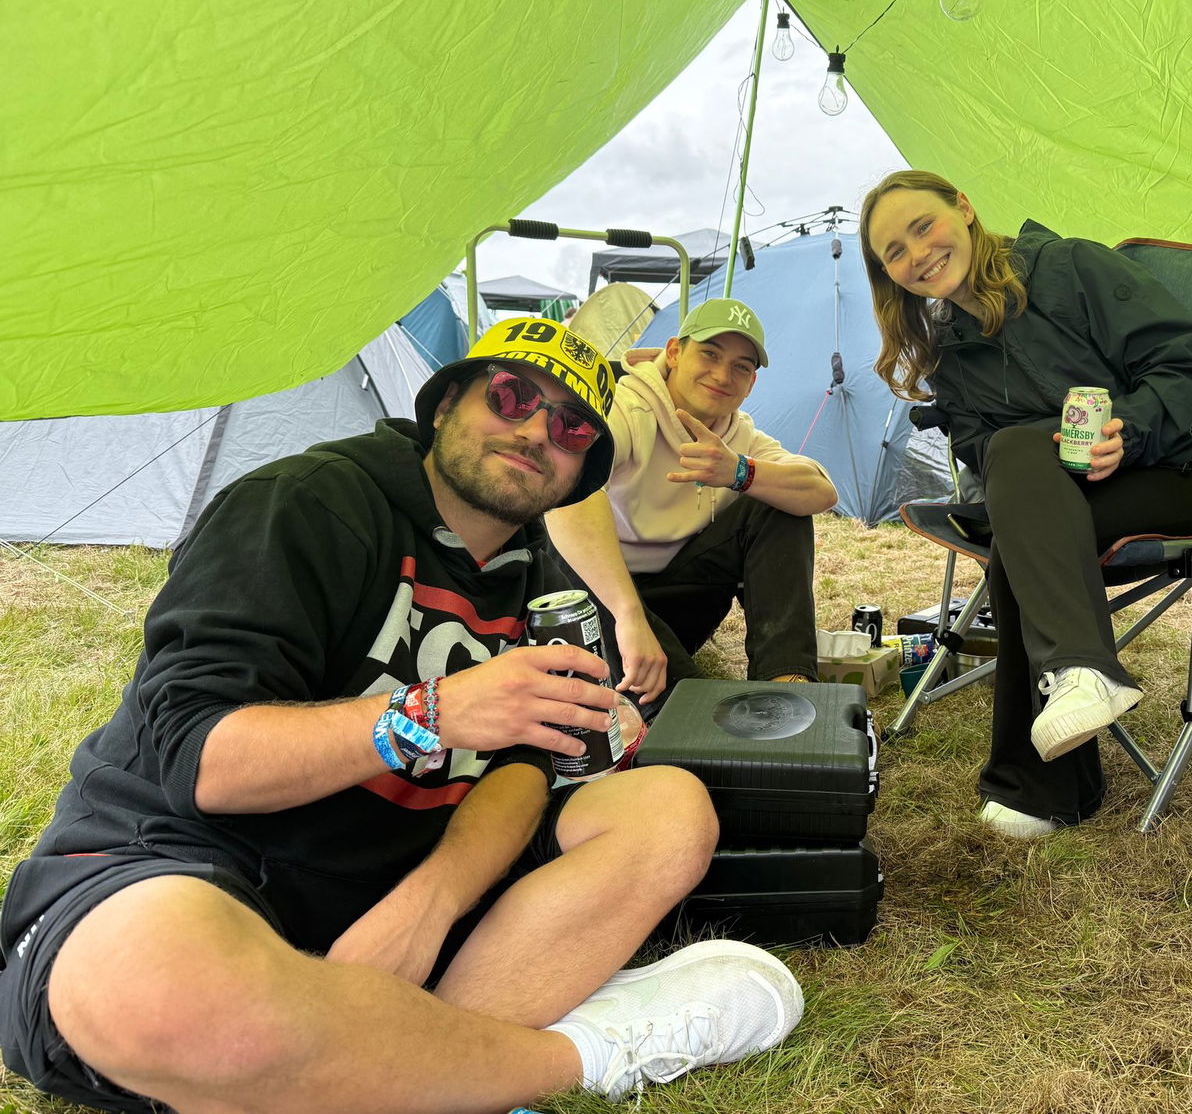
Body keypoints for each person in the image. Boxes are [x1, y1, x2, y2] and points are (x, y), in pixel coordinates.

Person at [0, 317, 803, 1113]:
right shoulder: (304, 506)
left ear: (582, 471)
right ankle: (580, 1056)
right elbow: (197, 760)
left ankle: (373, 1055)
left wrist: (431, 903)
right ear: (447, 401)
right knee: (160, 991)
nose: (533, 433)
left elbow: (528, 765)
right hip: (195, 862)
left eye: (567, 428)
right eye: (513, 396)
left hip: (398, 880)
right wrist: (432, 712)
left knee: (667, 808)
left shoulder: (543, 577)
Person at [861, 169, 1192, 839]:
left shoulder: (1071, 267)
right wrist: (1040, 456)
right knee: (1019, 492)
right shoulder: (951, 353)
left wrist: (1125, 429)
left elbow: (1181, 369)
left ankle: (1045, 777)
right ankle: (1078, 685)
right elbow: (983, 452)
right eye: (894, 252)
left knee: (1023, 514)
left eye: (923, 226)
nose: (917, 254)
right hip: (1070, 494)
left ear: (965, 206)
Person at [545, 298, 838, 705]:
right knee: (560, 543)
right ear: (674, 353)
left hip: (678, 598)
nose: (722, 374)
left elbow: (821, 491)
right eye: (710, 353)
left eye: (741, 366)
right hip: (609, 603)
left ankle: (786, 684)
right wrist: (628, 614)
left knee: (779, 502)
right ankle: (685, 705)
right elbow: (567, 494)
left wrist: (740, 472)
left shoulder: (738, 436)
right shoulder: (625, 409)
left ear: (752, 384)